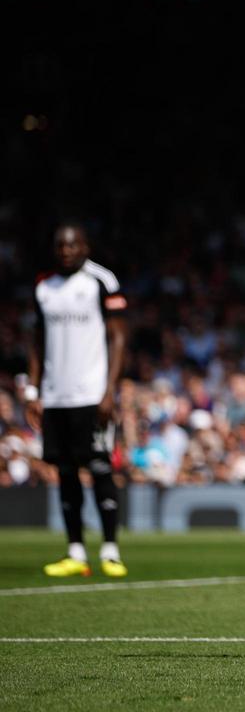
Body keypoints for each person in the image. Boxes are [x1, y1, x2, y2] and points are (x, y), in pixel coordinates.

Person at [26, 224, 129, 578]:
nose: (67, 251)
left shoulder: (102, 281)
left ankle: (111, 551)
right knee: (66, 472)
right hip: (56, 396)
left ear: (85, 246)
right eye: (61, 245)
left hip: (91, 394)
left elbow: (118, 338)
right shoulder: (44, 287)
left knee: (100, 469)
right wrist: (33, 391)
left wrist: (109, 390)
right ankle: (75, 552)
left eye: (73, 244)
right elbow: (37, 340)